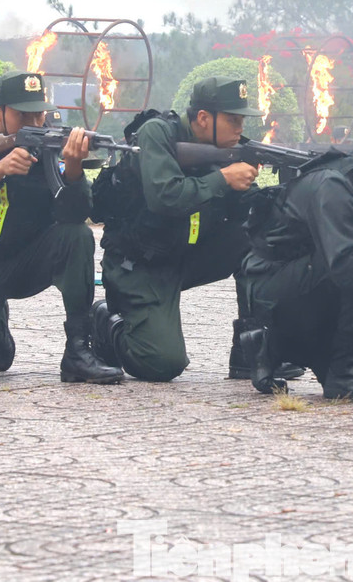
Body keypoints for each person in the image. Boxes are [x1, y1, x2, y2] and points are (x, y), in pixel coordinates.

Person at [91, 76, 304, 384]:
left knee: (259, 237)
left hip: (184, 257)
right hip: (139, 266)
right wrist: (223, 179)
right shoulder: (157, 133)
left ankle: (251, 349)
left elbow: (250, 211)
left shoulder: (228, 151)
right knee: (163, 364)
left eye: (242, 120)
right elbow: (165, 196)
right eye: (232, 120)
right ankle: (106, 323)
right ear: (203, 118)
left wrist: (281, 194)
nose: (240, 128)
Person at [0, 70, 121, 384]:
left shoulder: (53, 136)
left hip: (31, 259)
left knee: (77, 236)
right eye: (22, 115)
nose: (34, 123)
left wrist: (72, 170)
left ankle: (78, 351)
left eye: (39, 114)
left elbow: (77, 214)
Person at [238, 94, 353, 402]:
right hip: (276, 287)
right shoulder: (335, 185)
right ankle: (343, 373)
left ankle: (275, 346)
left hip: (313, 285)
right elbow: (349, 270)